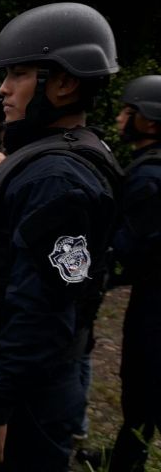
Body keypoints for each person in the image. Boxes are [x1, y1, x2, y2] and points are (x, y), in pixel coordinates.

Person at [0, 2, 123, 471]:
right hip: (16, 375)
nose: (3, 87)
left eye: (18, 74)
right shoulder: (46, 159)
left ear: (64, 83)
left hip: (26, 395)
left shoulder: (56, 179)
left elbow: (44, 314)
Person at [109, 75, 161, 472]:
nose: (119, 119)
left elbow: (129, 248)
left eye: (128, 112)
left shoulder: (148, 176)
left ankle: (128, 463)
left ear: (150, 122)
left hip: (154, 303)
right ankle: (126, 455)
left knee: (142, 382)